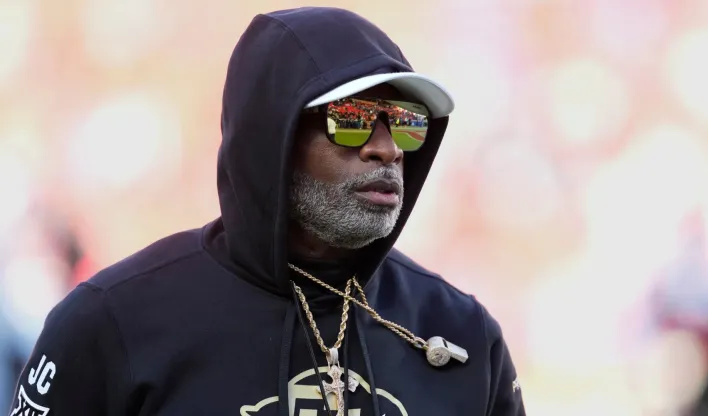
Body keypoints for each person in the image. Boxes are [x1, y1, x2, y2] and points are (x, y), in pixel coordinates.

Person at [7, 7, 525, 416]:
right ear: (269, 137)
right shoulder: (112, 322)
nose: (387, 148)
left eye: (406, 123)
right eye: (352, 119)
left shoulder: (461, 334)